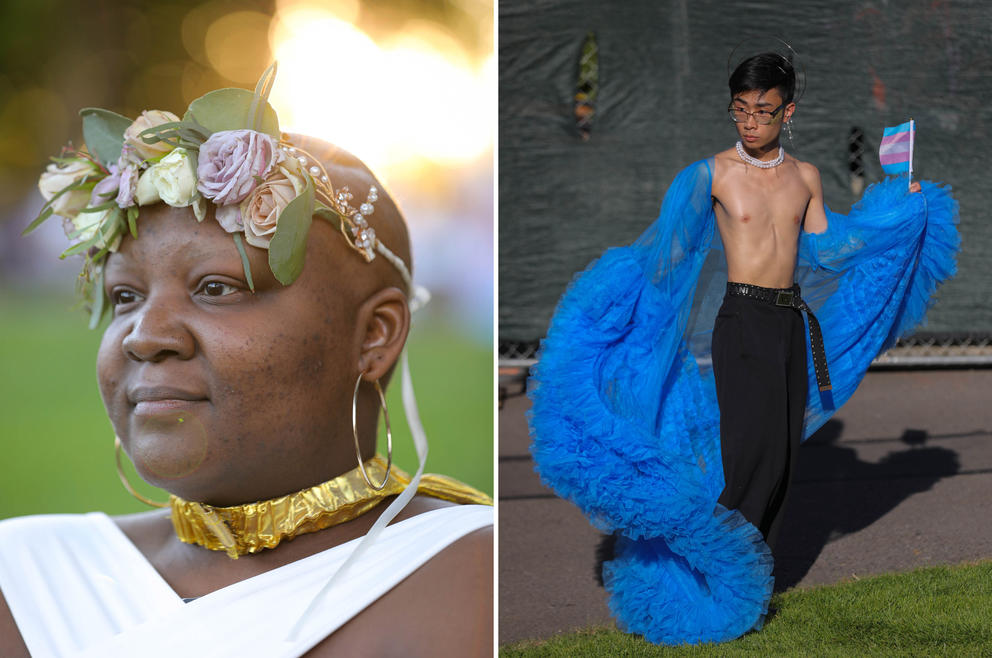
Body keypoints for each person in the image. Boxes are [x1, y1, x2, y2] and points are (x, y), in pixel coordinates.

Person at [0, 69, 493, 657]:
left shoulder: (472, 575)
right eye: (125, 296)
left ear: (374, 335)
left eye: (215, 288)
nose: (145, 336)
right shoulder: (25, 579)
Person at [528, 50, 959, 644]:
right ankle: (715, 569)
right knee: (749, 451)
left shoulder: (804, 176)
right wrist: (621, 316)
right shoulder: (711, 174)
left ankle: (750, 578)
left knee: (781, 455)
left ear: (788, 110)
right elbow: (667, 257)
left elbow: (829, 251)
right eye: (740, 110)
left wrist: (901, 207)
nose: (750, 122)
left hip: (789, 323)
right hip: (745, 321)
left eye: (763, 110)